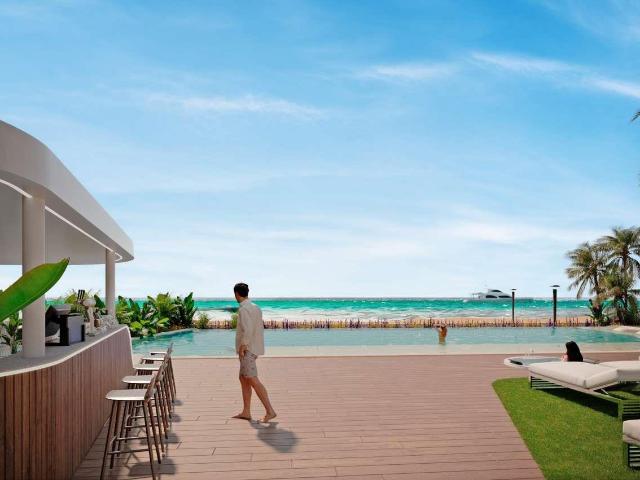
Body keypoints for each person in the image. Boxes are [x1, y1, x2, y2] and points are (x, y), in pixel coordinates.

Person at [231, 282, 277, 423]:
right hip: (253, 348)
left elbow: (248, 329)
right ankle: (246, 412)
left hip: (247, 349)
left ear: (236, 294)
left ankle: (270, 411)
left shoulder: (244, 309)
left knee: (252, 379)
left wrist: (243, 346)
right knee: (243, 378)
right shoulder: (255, 307)